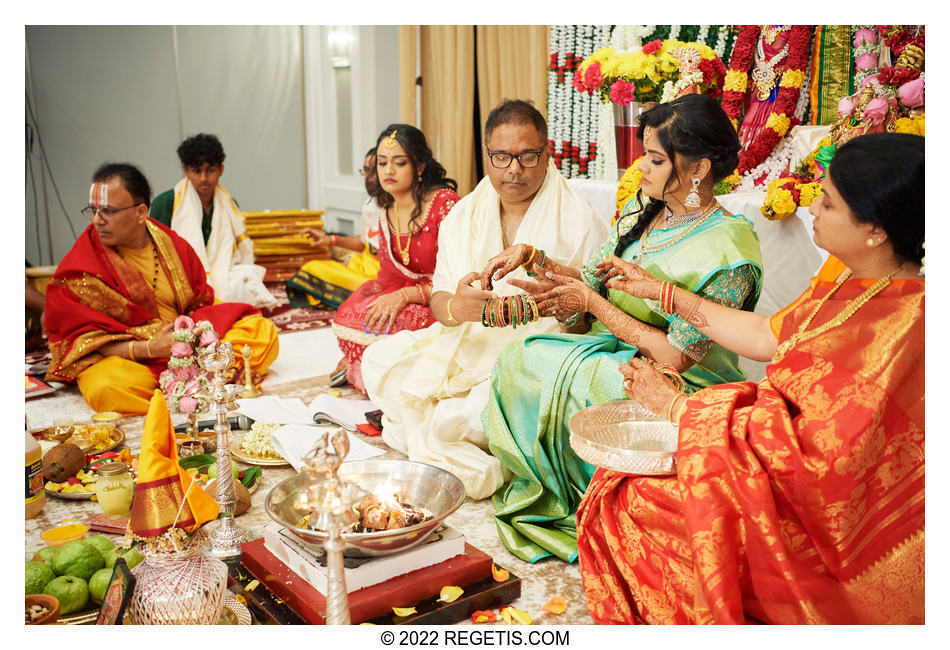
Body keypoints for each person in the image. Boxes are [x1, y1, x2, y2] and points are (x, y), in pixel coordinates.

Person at [577, 132, 925, 624]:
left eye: (827, 203)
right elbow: (767, 336)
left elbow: (824, 458)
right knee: (618, 475)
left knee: (635, 498)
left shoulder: (907, 324)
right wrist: (663, 293)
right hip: (768, 451)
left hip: (825, 515)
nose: (814, 212)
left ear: (877, 230)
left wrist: (680, 409)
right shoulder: (848, 277)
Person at [482, 94, 764, 563]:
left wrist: (592, 304)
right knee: (520, 356)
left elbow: (675, 356)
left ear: (697, 170)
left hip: (679, 380)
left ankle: (595, 508)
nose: (642, 168)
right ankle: (556, 498)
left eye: (655, 159)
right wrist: (537, 259)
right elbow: (593, 279)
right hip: (615, 348)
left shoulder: (730, 248)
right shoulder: (647, 210)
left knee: (599, 379)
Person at [361, 99, 608, 499]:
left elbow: (593, 320)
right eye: (502, 156)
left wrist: (567, 308)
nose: (514, 168)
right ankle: (465, 435)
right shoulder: (463, 214)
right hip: (467, 341)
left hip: (536, 350)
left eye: (528, 156)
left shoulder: (580, 218)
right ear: (487, 155)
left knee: (467, 412)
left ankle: (462, 436)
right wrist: (457, 308)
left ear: (547, 154)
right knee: (379, 360)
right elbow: (441, 301)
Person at [45, 162, 279, 415]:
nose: (97, 221)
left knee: (262, 332)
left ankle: (188, 381)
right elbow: (84, 341)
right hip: (135, 360)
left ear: (141, 212)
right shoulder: (82, 266)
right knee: (104, 386)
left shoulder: (172, 246)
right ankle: (196, 385)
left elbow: (201, 304)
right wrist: (149, 348)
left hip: (187, 346)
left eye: (108, 211)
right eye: (93, 210)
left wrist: (192, 337)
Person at [330, 125, 459, 393]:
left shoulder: (444, 204)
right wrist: (381, 300)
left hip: (443, 298)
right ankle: (362, 365)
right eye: (382, 163)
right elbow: (388, 277)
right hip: (405, 292)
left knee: (400, 322)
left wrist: (406, 297)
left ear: (420, 166)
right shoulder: (386, 211)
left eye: (399, 163)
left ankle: (374, 372)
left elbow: (461, 273)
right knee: (351, 315)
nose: (388, 171)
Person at [150, 133, 275, 308]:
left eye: (210, 170)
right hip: (179, 275)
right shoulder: (166, 203)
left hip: (221, 272)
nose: (203, 178)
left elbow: (238, 256)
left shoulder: (229, 204)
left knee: (246, 277)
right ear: (185, 170)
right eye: (196, 171)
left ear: (221, 170)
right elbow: (153, 253)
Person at [286, 148, 383, 311]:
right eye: (366, 170)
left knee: (369, 288)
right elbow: (364, 242)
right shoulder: (369, 205)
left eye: (374, 170)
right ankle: (355, 298)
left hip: (382, 274)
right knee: (310, 269)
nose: (369, 177)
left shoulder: (398, 207)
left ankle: (360, 298)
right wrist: (331, 239)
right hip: (363, 265)